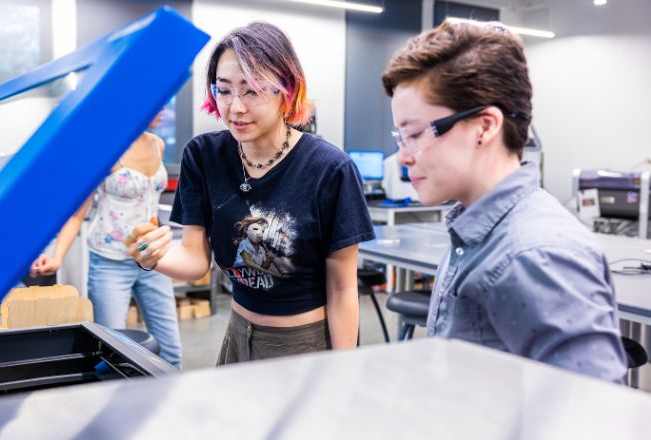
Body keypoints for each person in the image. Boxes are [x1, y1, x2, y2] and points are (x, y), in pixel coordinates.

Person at [381, 19, 626, 382]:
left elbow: (596, 419)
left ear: (485, 126)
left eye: (415, 134)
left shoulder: (535, 256)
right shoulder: (475, 227)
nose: (403, 156)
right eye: (400, 137)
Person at [128, 22, 375, 365]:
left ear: (286, 90)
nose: (235, 107)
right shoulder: (203, 156)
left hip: (302, 345)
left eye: (252, 90)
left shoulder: (330, 169)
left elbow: (343, 287)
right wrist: (151, 256)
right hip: (238, 333)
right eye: (224, 90)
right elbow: (197, 259)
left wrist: (342, 368)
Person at [30, 110, 182, 369]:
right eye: (156, 104)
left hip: (153, 260)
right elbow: (77, 215)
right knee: (113, 353)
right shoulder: (106, 150)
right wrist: (57, 256)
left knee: (171, 351)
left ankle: (172, 406)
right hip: (110, 264)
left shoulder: (157, 144)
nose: (162, 111)